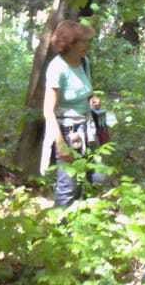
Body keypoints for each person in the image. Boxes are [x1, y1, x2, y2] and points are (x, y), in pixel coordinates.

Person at [41, 20, 103, 207]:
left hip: (87, 128)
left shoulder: (84, 62)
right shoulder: (57, 68)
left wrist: (92, 99)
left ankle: (83, 218)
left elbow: (87, 91)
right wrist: (61, 144)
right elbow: (48, 110)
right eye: (84, 41)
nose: (88, 45)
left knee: (96, 177)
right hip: (68, 132)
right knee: (68, 186)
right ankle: (62, 223)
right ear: (70, 43)